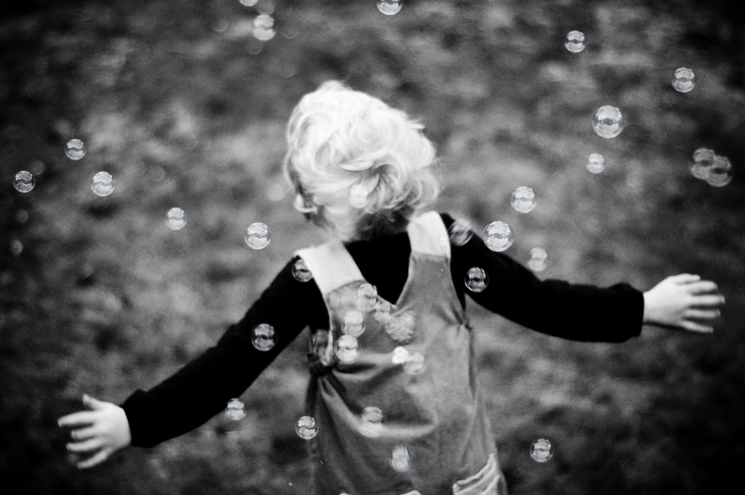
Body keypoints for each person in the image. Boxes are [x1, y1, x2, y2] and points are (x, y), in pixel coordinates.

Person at [58, 81, 724, 495]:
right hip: (459, 475)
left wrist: (134, 421)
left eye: (305, 189)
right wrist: (641, 307)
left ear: (316, 202)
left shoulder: (310, 278)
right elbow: (542, 301)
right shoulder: (447, 240)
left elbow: (227, 367)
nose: (298, 200)